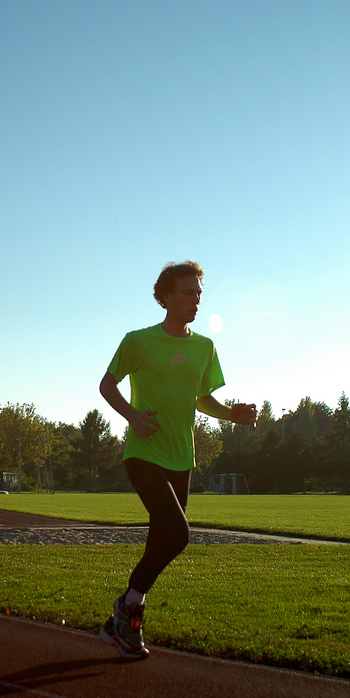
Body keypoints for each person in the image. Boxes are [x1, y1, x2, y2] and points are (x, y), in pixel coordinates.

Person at [98, 260, 256, 659]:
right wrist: (132, 415)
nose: (195, 300)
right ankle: (129, 610)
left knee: (165, 538)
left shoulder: (204, 347)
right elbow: (107, 384)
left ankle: (120, 617)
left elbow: (203, 399)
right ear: (166, 296)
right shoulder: (138, 341)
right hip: (143, 452)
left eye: (199, 293)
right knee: (179, 532)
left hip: (182, 457)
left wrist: (230, 414)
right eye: (187, 293)